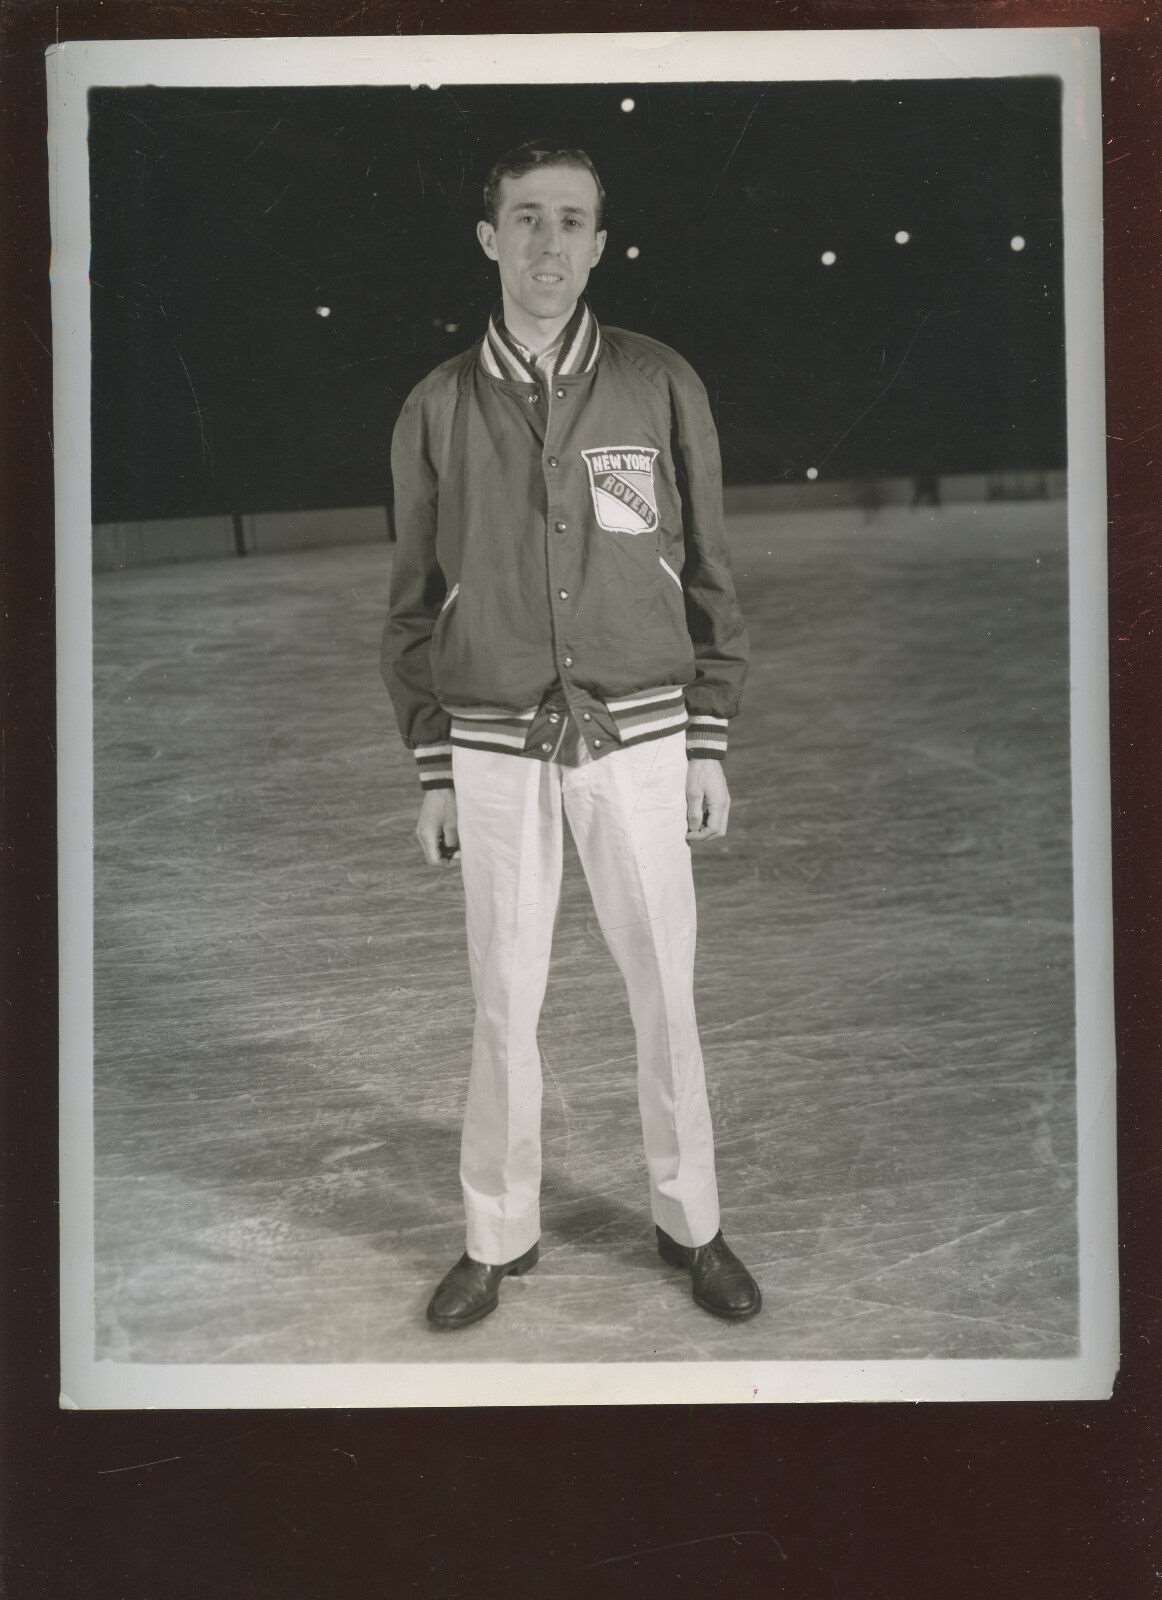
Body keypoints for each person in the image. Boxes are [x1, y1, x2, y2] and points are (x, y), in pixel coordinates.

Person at [382, 141, 761, 1330]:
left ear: (601, 243)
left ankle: (690, 1221)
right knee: (505, 994)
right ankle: (496, 1235)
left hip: (641, 741)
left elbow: (707, 571)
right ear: (489, 238)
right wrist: (433, 762)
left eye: (573, 221)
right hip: (493, 751)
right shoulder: (437, 406)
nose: (550, 244)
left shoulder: (656, 383)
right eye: (526, 220)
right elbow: (408, 600)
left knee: (665, 986)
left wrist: (707, 737)